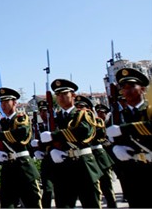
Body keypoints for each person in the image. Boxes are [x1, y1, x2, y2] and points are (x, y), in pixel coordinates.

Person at [40, 79, 102, 209]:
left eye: (64, 94)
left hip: (83, 165)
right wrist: (51, 149)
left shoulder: (83, 114)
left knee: (91, 204)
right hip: (62, 168)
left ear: (73, 95)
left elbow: (83, 132)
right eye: (58, 95)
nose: (61, 98)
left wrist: (54, 135)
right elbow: (48, 141)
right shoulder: (54, 118)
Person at [106, 68, 152, 209]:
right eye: (124, 88)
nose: (127, 91)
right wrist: (114, 149)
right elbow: (106, 140)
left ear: (143, 89)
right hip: (131, 170)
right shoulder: (117, 116)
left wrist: (123, 129)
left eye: (132, 86)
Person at [0, 87, 42, 208]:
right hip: (8, 168)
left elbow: (20, 134)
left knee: (32, 203)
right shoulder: (1, 123)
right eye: (2, 102)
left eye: (7, 102)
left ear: (15, 102)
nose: (3, 105)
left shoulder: (21, 118)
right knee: (7, 204)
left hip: (23, 166)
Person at [74, 97, 117, 208]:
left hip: (98, 155)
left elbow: (98, 135)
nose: (79, 110)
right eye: (77, 107)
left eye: (82, 107)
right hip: (87, 157)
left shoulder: (97, 120)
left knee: (106, 186)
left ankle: (112, 205)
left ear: (89, 109)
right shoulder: (75, 122)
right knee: (93, 188)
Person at [31, 100, 55, 208]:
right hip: (47, 160)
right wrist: (36, 150)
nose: (43, 113)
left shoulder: (56, 124)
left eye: (45, 111)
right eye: (41, 111)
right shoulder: (39, 127)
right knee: (47, 189)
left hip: (59, 160)